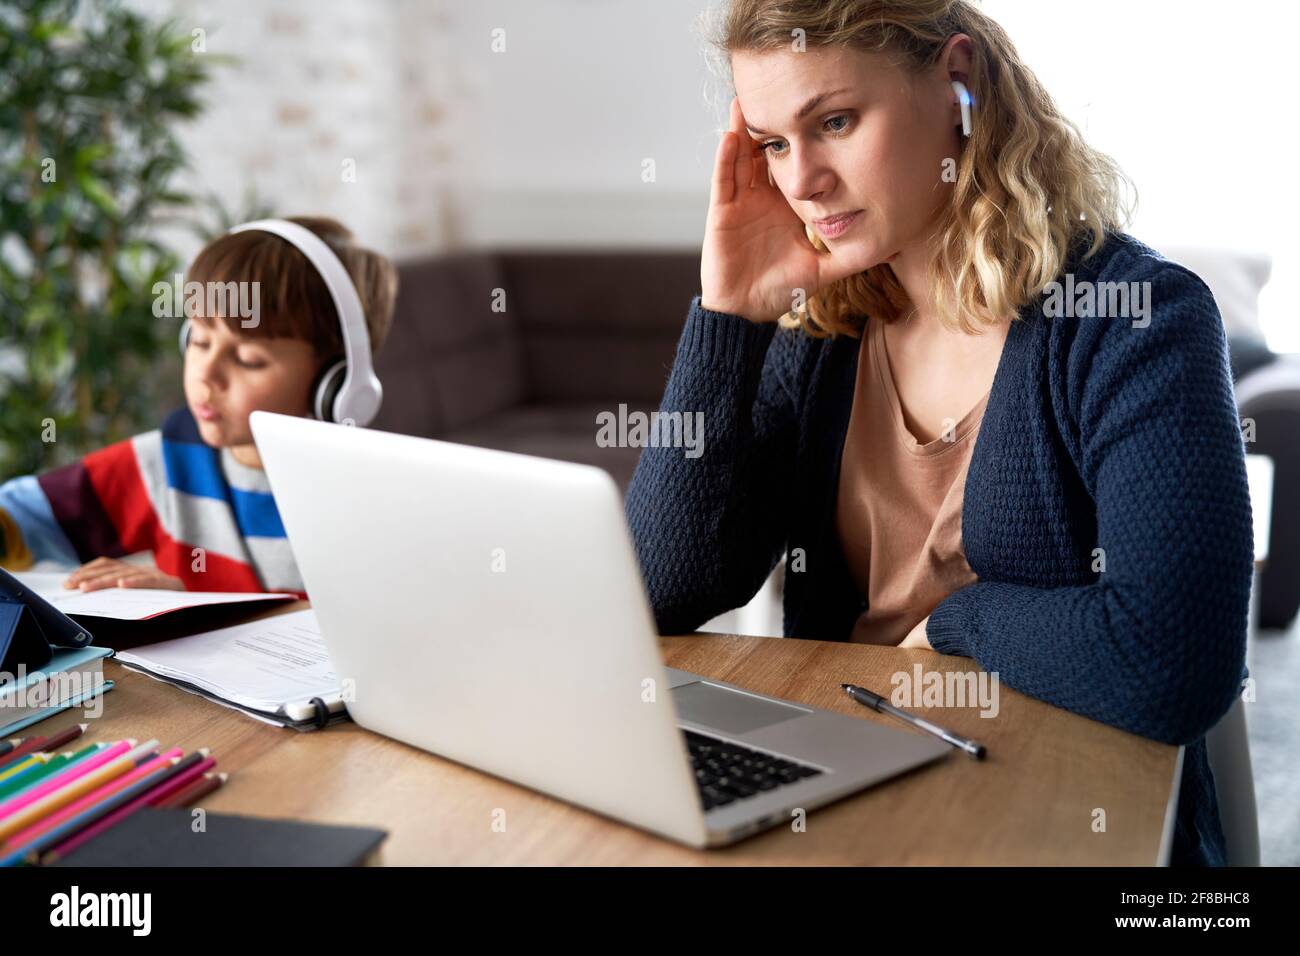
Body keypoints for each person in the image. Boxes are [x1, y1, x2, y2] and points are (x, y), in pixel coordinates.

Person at [624, 0, 1252, 866]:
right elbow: (657, 593)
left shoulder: (1132, 321)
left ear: (957, 81)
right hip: (849, 778)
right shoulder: (823, 333)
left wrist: (962, 623)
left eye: (834, 121)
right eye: (772, 143)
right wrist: (729, 317)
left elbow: (1172, 661)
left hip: (1063, 802)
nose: (800, 180)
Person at [0, 216, 398, 595]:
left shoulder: (369, 498)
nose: (206, 375)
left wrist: (192, 603)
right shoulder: (171, 460)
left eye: (248, 360)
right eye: (200, 340)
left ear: (335, 382)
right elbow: (18, 517)